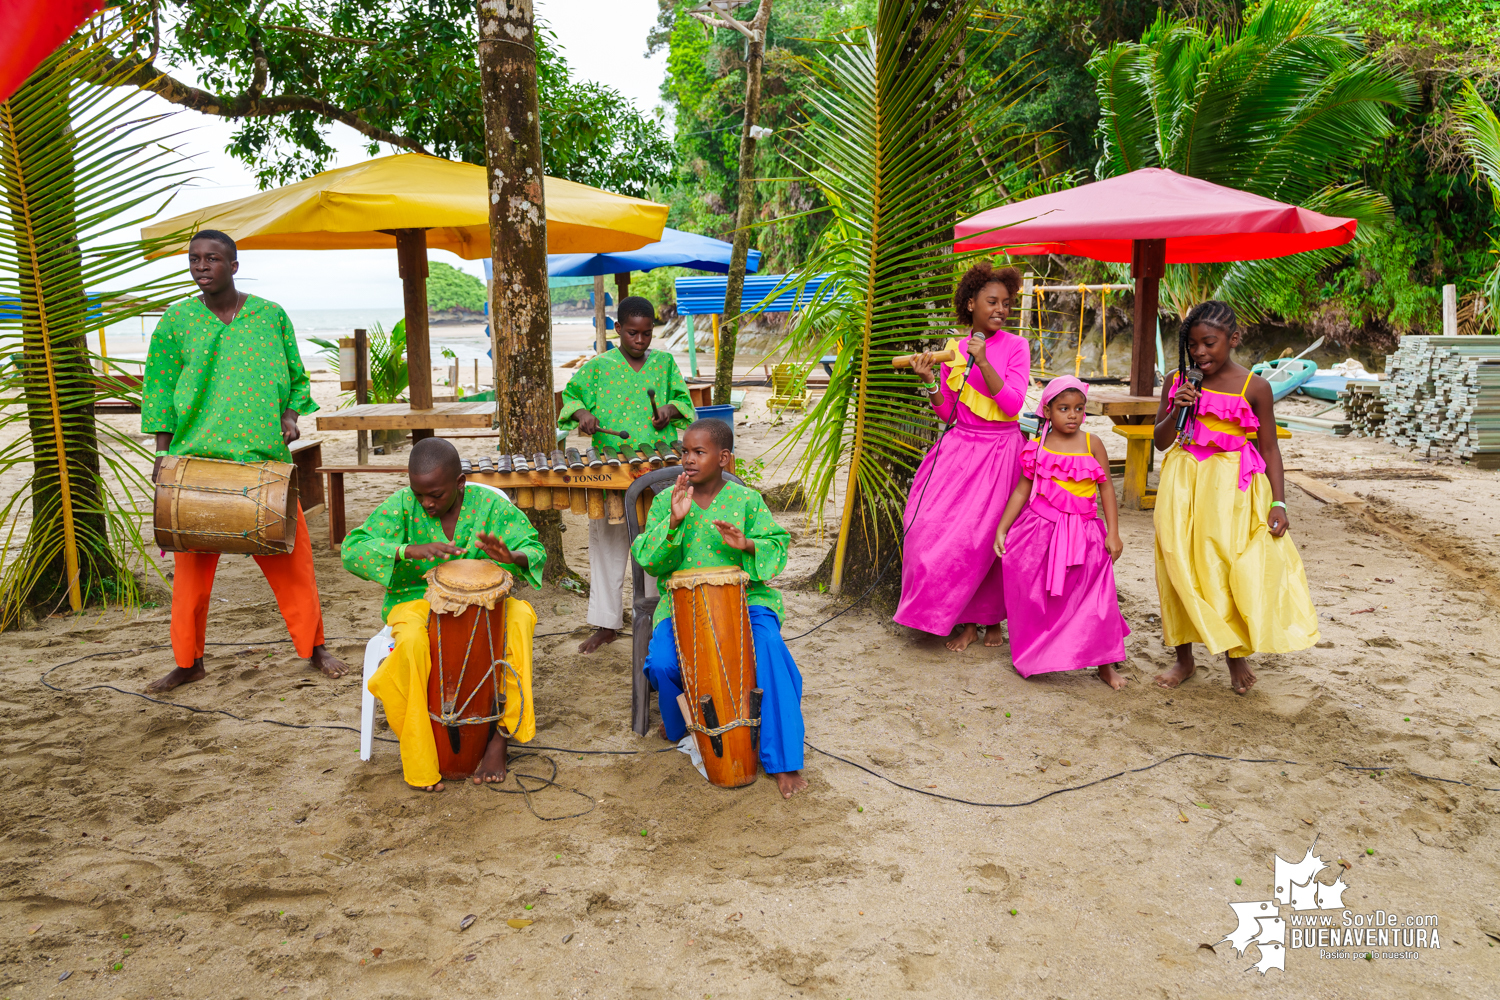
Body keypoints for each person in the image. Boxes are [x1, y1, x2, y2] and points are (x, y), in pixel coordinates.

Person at [141, 229, 346, 692]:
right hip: (197, 462)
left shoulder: (270, 316)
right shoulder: (176, 322)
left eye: (212, 258)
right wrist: (162, 452)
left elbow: (296, 376)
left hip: (262, 461)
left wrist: (291, 415)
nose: (201, 266)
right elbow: (158, 391)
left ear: (233, 265)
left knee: (292, 558)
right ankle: (188, 660)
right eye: (194, 259)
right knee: (191, 574)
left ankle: (314, 647)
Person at [340, 437, 546, 792]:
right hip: (416, 601)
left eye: (435, 494)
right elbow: (353, 549)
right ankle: (420, 759)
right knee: (411, 646)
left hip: (485, 607)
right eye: (419, 494)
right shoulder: (403, 506)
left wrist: (513, 556)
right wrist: (407, 550)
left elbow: (534, 548)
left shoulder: (487, 506)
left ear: (460, 483)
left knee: (521, 618)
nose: (426, 503)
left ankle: (501, 737)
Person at [631, 418, 807, 799]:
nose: (688, 460)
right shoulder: (667, 500)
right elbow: (648, 557)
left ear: (724, 458)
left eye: (699, 452)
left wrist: (747, 546)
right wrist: (674, 523)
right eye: (685, 452)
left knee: (768, 650)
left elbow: (777, 548)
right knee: (662, 662)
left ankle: (784, 761)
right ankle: (683, 725)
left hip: (746, 603)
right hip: (682, 606)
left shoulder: (747, 500)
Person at [1151, 301, 1319, 694]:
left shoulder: (1254, 387)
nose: (1200, 353)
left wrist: (1279, 502)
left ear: (1234, 339)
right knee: (1175, 563)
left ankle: (1235, 656)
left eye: (1209, 343)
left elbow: (1271, 449)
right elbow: (1160, 443)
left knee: (1224, 567)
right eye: (1192, 345)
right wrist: (1175, 410)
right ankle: (1184, 659)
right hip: (1182, 482)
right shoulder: (1178, 380)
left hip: (1231, 489)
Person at [894, 261, 1030, 651]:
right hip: (958, 448)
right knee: (927, 528)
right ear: (970, 304)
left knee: (985, 537)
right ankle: (961, 618)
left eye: (1006, 302)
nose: (1001, 309)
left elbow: (1012, 403)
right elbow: (947, 411)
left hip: (1001, 450)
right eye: (992, 302)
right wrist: (931, 382)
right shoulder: (953, 348)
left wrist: (984, 360)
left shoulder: (1016, 347)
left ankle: (987, 622)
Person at [557, 295, 696, 654]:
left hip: (656, 468)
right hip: (610, 467)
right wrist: (582, 416)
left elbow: (685, 404)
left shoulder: (664, 364)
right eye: (632, 333)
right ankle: (606, 623)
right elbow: (570, 398)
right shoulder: (598, 367)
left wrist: (669, 409)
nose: (640, 340)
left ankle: (653, 621)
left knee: (657, 542)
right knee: (606, 542)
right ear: (618, 329)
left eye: (647, 334)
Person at [994, 376, 1130, 689]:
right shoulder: (1037, 445)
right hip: (1040, 531)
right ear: (1047, 411)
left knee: (1098, 597)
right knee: (1035, 592)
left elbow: (1106, 489)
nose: (1072, 415)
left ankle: (1105, 664)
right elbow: (1021, 491)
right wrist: (1003, 528)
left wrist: (1114, 533)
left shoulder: (1092, 443)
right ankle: (1038, 651)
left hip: (1086, 533)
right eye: (1064, 408)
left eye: (1079, 409)